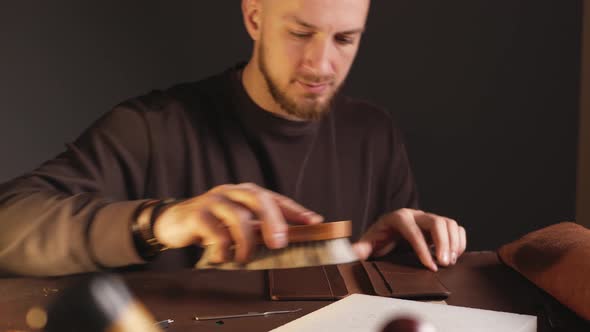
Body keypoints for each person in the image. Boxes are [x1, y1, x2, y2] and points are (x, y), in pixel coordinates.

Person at [0, 0, 466, 276]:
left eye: (345, 39)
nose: (321, 65)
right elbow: (8, 224)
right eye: (301, 33)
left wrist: (398, 253)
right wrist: (158, 222)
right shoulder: (151, 126)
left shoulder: (375, 135)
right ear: (255, 17)